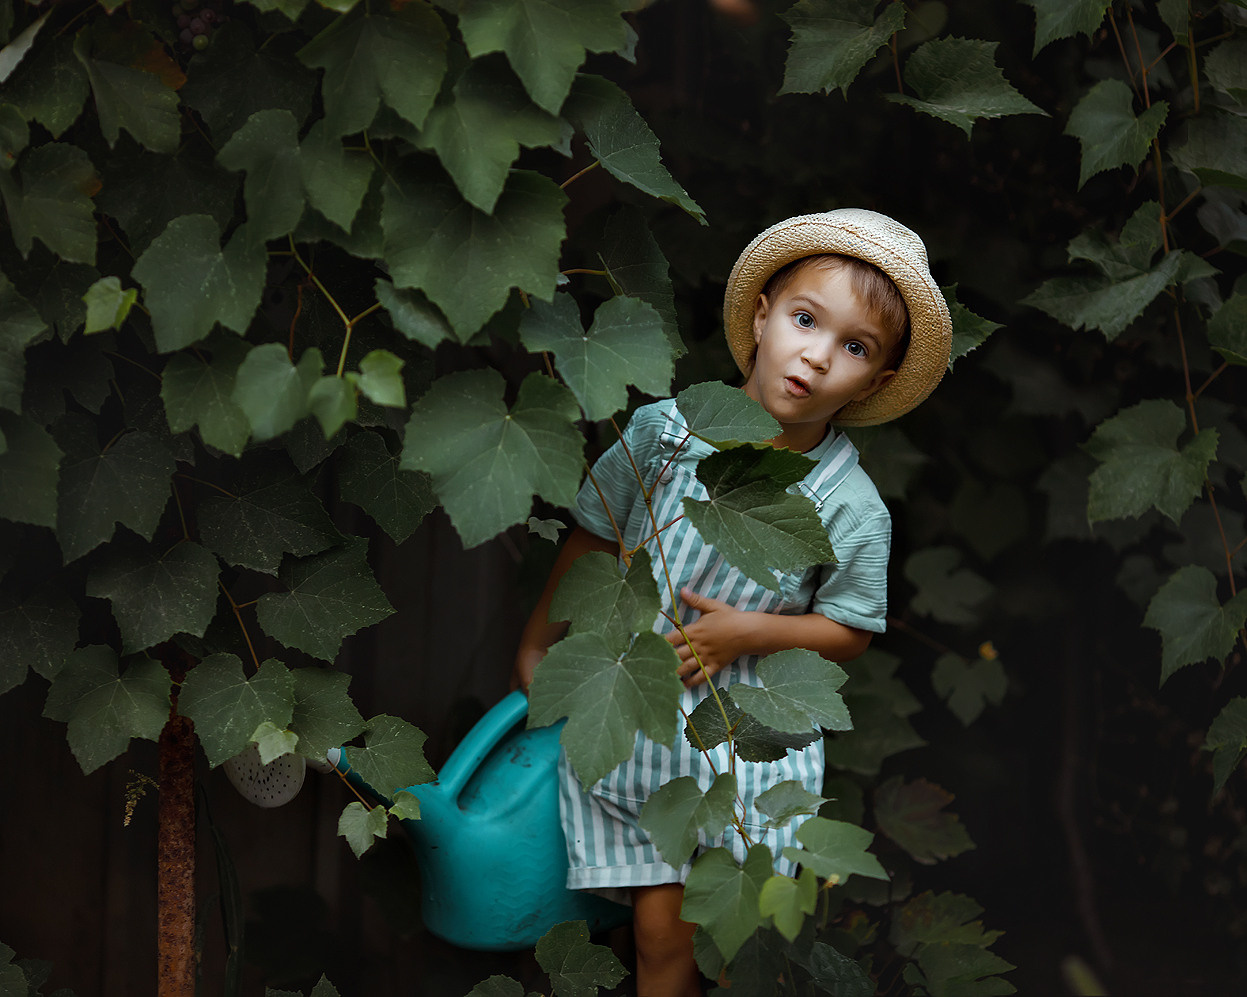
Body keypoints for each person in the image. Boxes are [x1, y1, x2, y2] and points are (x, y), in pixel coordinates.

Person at [513, 208, 953, 996]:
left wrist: (751, 630)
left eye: (854, 347)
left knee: (681, 933)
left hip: (740, 736)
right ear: (761, 315)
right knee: (646, 930)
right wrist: (537, 647)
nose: (816, 357)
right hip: (639, 712)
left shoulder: (848, 503)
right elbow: (592, 536)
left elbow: (850, 629)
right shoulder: (666, 433)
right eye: (805, 319)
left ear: (879, 380)